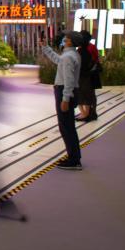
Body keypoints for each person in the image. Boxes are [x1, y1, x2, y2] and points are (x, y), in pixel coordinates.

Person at [42, 32, 83, 170]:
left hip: (64, 91)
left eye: (67, 38)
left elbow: (69, 80)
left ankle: (74, 160)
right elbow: (58, 60)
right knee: (68, 126)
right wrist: (46, 48)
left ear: (70, 41)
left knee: (66, 127)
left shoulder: (68, 57)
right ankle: (74, 156)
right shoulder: (71, 55)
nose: (65, 39)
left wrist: (65, 99)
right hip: (69, 91)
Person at [75, 30, 101, 121]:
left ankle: (85, 113)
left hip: (84, 75)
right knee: (90, 94)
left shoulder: (81, 50)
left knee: (83, 94)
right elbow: (96, 59)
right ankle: (91, 113)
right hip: (91, 74)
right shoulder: (91, 47)